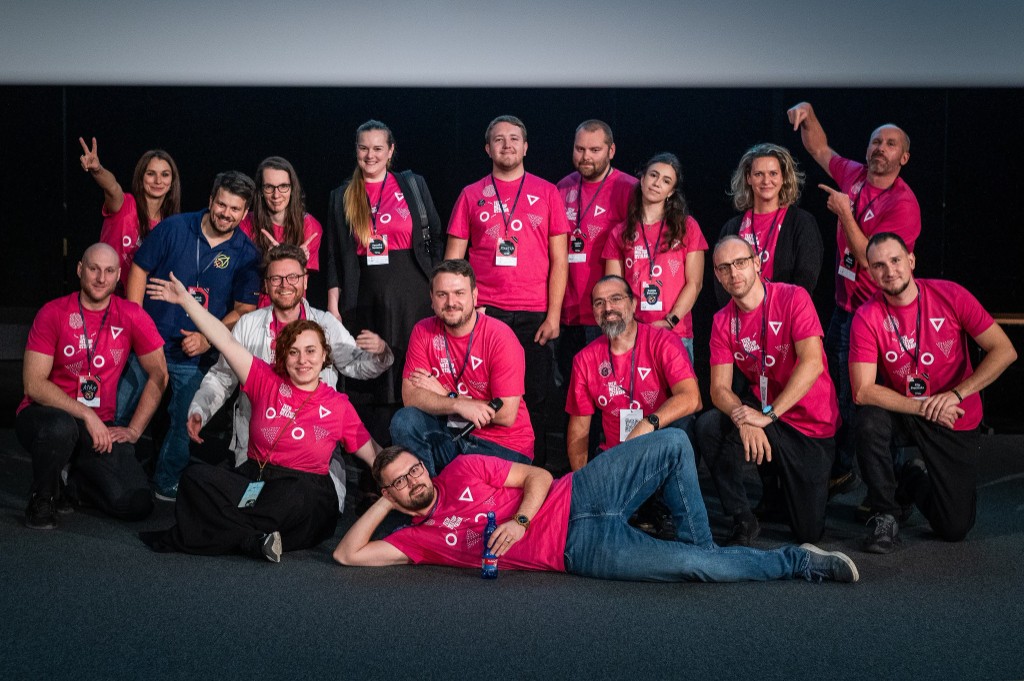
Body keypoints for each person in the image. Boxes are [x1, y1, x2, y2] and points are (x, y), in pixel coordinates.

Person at [333, 430, 859, 585]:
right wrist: (383, 504)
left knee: (674, 441)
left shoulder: (462, 469)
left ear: (426, 466)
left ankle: (706, 548)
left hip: (580, 493)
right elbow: (348, 556)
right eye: (399, 483)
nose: (413, 481)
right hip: (579, 550)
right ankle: (798, 560)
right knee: (696, 568)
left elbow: (538, 475)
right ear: (393, 495)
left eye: (413, 470)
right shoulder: (413, 541)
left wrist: (519, 522)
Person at [141, 272, 380, 562]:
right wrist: (185, 301)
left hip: (304, 490)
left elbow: (375, 457)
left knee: (298, 496)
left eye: (310, 351)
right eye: (293, 352)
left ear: (324, 356)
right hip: (256, 477)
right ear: (283, 357)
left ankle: (227, 531)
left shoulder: (339, 405)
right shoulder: (265, 380)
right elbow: (224, 340)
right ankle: (252, 539)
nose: (302, 360)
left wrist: (412, 482)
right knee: (195, 478)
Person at [187, 244, 393, 510]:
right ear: (266, 284)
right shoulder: (249, 324)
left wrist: (381, 354)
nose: (285, 284)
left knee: (288, 501)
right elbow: (222, 377)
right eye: (276, 278)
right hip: (259, 452)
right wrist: (200, 409)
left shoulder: (325, 325)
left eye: (293, 277)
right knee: (208, 489)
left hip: (310, 457)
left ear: (305, 280)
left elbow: (357, 366)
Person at [849, 233, 1016, 553]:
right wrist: (923, 405)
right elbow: (863, 391)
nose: (889, 270)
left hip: (954, 412)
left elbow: (1004, 350)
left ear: (911, 260)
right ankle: (885, 514)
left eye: (896, 260)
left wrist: (956, 394)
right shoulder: (866, 316)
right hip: (909, 409)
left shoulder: (950, 295)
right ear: (870, 273)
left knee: (954, 528)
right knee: (869, 421)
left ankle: (911, 477)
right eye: (879, 265)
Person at [787, 102, 921, 493]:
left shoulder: (903, 204)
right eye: (876, 141)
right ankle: (844, 467)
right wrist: (809, 114)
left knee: (858, 400)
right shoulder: (855, 175)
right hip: (844, 307)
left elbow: (869, 259)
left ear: (904, 157)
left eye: (891, 143)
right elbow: (820, 149)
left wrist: (845, 213)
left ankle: (892, 482)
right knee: (833, 388)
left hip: (875, 315)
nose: (881, 147)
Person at [119, 171, 262, 500]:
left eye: (235, 209)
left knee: (185, 418)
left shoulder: (246, 254)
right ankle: (96, 468)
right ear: (211, 200)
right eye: (221, 204)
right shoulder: (175, 227)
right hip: (148, 344)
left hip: (194, 353)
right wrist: (135, 324)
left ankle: (166, 479)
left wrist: (208, 339)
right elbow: (139, 268)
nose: (226, 213)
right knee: (119, 407)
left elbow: (243, 308)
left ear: (245, 213)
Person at [697, 237, 840, 546]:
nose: (734, 273)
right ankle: (743, 519)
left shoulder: (793, 298)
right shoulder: (722, 321)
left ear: (757, 264)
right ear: (718, 276)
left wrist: (769, 415)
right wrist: (744, 419)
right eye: (724, 268)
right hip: (763, 413)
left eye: (741, 263)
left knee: (808, 533)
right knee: (709, 426)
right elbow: (719, 388)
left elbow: (813, 363)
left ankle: (789, 490)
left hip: (808, 422)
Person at [445, 115, 570, 466]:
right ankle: (487, 471)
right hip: (485, 313)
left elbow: (560, 260)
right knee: (488, 398)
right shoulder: (471, 194)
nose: (507, 145)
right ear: (488, 148)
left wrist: (554, 315)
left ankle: (536, 476)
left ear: (526, 146)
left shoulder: (547, 192)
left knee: (536, 399)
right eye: (499, 139)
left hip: (535, 315)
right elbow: (453, 262)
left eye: (514, 138)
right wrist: (465, 310)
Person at [17, 244, 167, 529]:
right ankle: (43, 496)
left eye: (109, 271)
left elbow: (159, 374)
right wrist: (87, 414)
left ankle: (74, 482)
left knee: (137, 503)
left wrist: (134, 430)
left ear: (118, 275)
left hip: (98, 427)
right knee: (61, 427)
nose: (101, 278)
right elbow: (33, 384)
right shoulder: (53, 312)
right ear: (79, 270)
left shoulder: (131, 314)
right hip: (45, 415)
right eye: (93, 269)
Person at [324, 120, 444, 446]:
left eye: (378, 148)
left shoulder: (413, 185)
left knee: (412, 368)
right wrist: (333, 305)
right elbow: (334, 254)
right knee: (370, 377)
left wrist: (440, 292)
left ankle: (417, 450)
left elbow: (435, 238)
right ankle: (374, 463)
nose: (370, 154)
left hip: (414, 293)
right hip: (364, 296)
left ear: (390, 151)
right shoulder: (341, 196)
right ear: (356, 151)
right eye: (364, 148)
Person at [389, 260, 534, 476]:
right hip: (452, 435)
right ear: (431, 299)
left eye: (459, 293)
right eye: (442, 294)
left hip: (501, 445)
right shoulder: (423, 331)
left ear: (474, 296)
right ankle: (429, 502)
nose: (451, 302)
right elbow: (411, 396)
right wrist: (457, 404)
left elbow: (505, 414)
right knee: (404, 421)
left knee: (468, 491)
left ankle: (451, 493)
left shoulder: (500, 337)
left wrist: (447, 395)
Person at [566, 275, 700, 469]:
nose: (608, 308)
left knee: (684, 429)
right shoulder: (584, 359)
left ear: (634, 303)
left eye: (616, 299)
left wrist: (648, 423)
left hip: (661, 455)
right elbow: (579, 431)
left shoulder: (663, 341)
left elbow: (692, 398)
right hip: (617, 457)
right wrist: (581, 482)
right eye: (599, 303)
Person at [603, 152, 707, 362]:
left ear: (671, 192)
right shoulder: (619, 232)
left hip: (676, 332)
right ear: (642, 180)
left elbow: (695, 283)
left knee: (682, 395)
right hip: (633, 333)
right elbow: (613, 288)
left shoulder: (687, 227)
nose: (657, 183)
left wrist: (670, 321)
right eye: (653, 175)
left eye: (666, 181)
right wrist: (628, 326)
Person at [555, 120, 638, 381]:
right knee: (568, 389)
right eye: (580, 149)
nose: (586, 157)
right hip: (566, 311)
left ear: (611, 150)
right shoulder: (562, 188)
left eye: (594, 150)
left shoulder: (629, 188)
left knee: (607, 386)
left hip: (605, 312)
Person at [715, 143, 823, 305]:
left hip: (785, 314)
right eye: (758, 174)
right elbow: (721, 280)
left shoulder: (801, 222)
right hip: (742, 318)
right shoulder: (732, 228)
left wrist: (780, 312)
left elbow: (806, 280)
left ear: (783, 177)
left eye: (773, 173)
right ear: (748, 178)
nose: (766, 181)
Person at [78, 137, 181, 293]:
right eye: (151, 174)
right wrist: (98, 170)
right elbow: (112, 187)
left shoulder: (171, 223)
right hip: (106, 296)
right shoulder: (125, 204)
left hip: (140, 304)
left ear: (172, 181)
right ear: (141, 177)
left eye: (165, 174)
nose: (158, 180)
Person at [239, 156, 323, 308]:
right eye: (269, 187)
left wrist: (299, 262)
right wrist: (266, 261)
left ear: (292, 189)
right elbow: (239, 277)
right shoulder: (245, 224)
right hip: (252, 309)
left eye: (283, 186)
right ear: (261, 191)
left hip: (291, 310)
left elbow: (301, 285)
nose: (276, 195)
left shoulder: (310, 226)